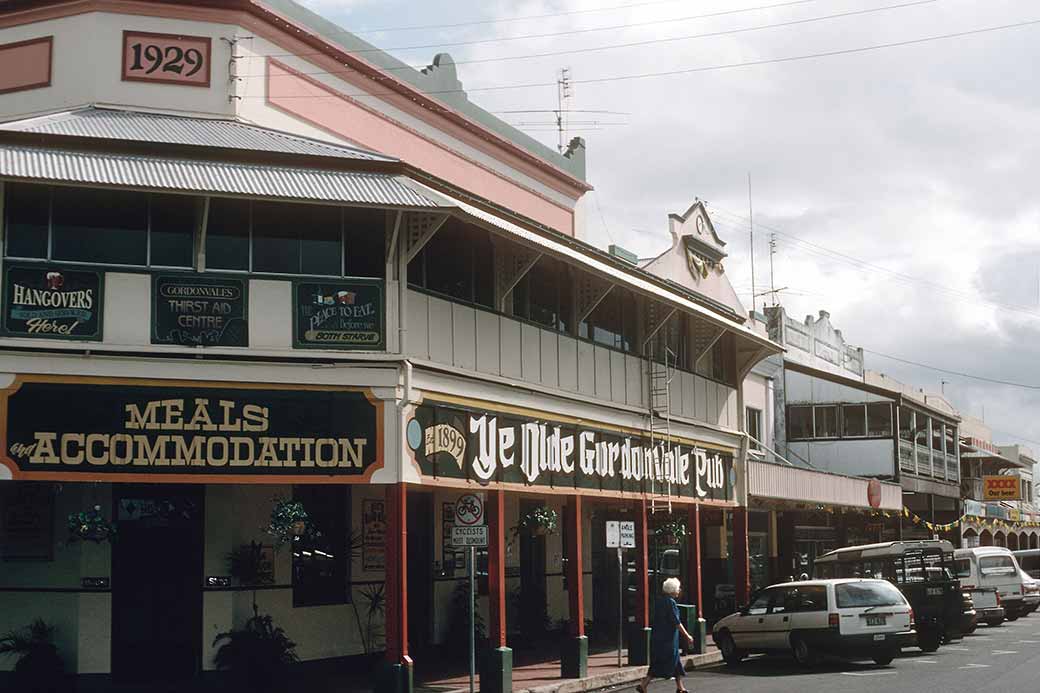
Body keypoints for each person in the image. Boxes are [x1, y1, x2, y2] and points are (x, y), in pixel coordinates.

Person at [637, 577, 693, 693]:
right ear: (672, 590)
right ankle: (644, 684)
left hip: (659, 636)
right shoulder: (670, 603)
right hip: (667, 639)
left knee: (675, 661)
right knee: (662, 662)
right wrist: (687, 636)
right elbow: (676, 622)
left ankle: (680, 687)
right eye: (678, 589)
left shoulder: (659, 601)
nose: (679, 590)